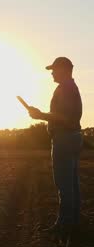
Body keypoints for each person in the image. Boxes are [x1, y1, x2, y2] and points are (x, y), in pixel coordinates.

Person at [28, 56, 83, 235]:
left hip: (65, 139)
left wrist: (40, 115)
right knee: (72, 183)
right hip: (73, 137)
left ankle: (65, 224)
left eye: (54, 69)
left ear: (65, 70)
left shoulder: (65, 89)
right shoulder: (70, 88)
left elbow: (63, 117)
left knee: (64, 184)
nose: (52, 73)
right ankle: (74, 220)